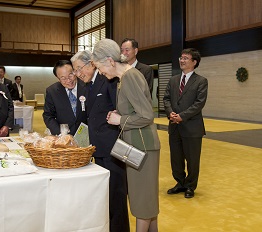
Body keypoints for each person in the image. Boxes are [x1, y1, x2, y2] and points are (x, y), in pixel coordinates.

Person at [92, 38, 161, 232]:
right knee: (146, 199)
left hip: (142, 145)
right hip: (137, 143)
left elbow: (146, 115)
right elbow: (135, 110)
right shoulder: (124, 78)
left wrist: (119, 121)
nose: (101, 73)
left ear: (110, 61)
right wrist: (118, 114)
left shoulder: (130, 77)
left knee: (141, 202)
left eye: (100, 67)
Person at [71, 51, 129, 232]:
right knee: (106, 195)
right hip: (98, 148)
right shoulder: (88, 84)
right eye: (76, 71)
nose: (78, 74)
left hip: (112, 147)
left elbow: (119, 110)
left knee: (117, 194)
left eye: (79, 69)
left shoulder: (108, 80)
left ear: (91, 64)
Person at [163, 48, 208, 198]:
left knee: (192, 159)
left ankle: (190, 186)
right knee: (176, 158)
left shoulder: (201, 81)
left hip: (192, 128)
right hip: (174, 127)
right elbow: (166, 98)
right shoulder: (173, 80)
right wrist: (170, 113)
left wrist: (182, 116)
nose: (182, 60)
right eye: (181, 57)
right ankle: (180, 183)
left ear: (194, 62)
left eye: (186, 58)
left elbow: (199, 103)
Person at [43, 60, 87, 135]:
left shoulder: (86, 86)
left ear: (75, 72)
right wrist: (60, 134)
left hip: (87, 134)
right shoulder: (52, 91)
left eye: (70, 75)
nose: (68, 80)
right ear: (58, 78)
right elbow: (48, 115)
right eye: (63, 78)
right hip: (64, 136)